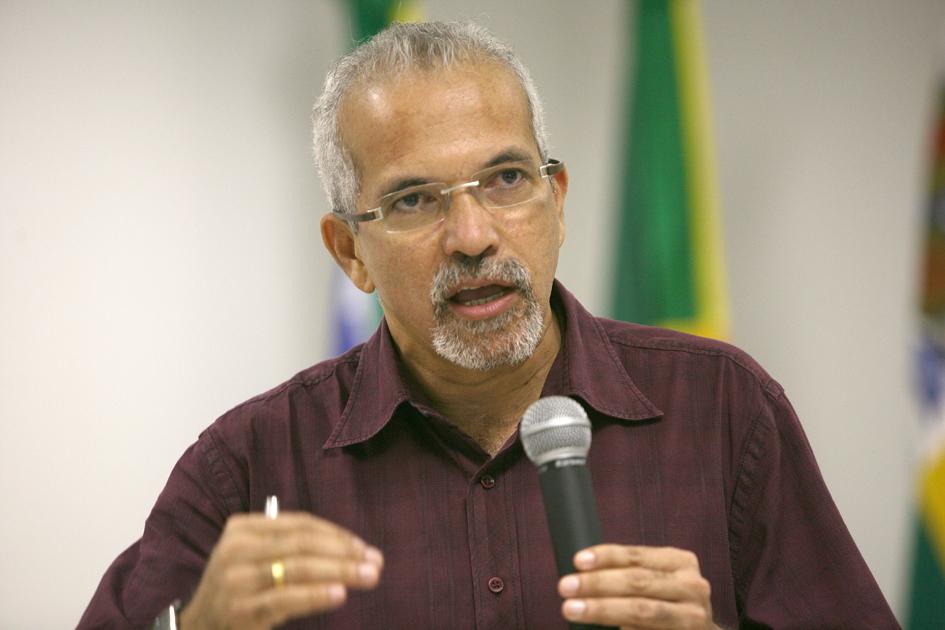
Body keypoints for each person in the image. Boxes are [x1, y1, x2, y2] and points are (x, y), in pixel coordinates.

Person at [79, 21, 898, 629]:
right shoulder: (250, 466)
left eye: (505, 179)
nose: (473, 237)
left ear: (557, 202)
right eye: (413, 199)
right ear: (349, 252)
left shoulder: (723, 408)